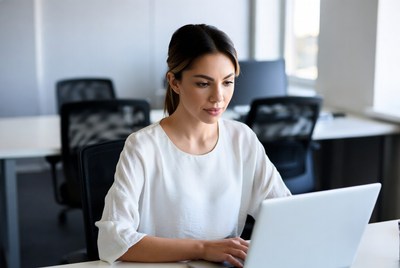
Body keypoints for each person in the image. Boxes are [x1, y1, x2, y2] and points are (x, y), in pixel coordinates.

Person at [96, 24, 291, 268]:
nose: (218, 97)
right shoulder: (143, 147)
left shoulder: (242, 139)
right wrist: (204, 248)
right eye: (203, 84)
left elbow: (285, 214)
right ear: (175, 82)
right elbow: (111, 240)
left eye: (228, 82)